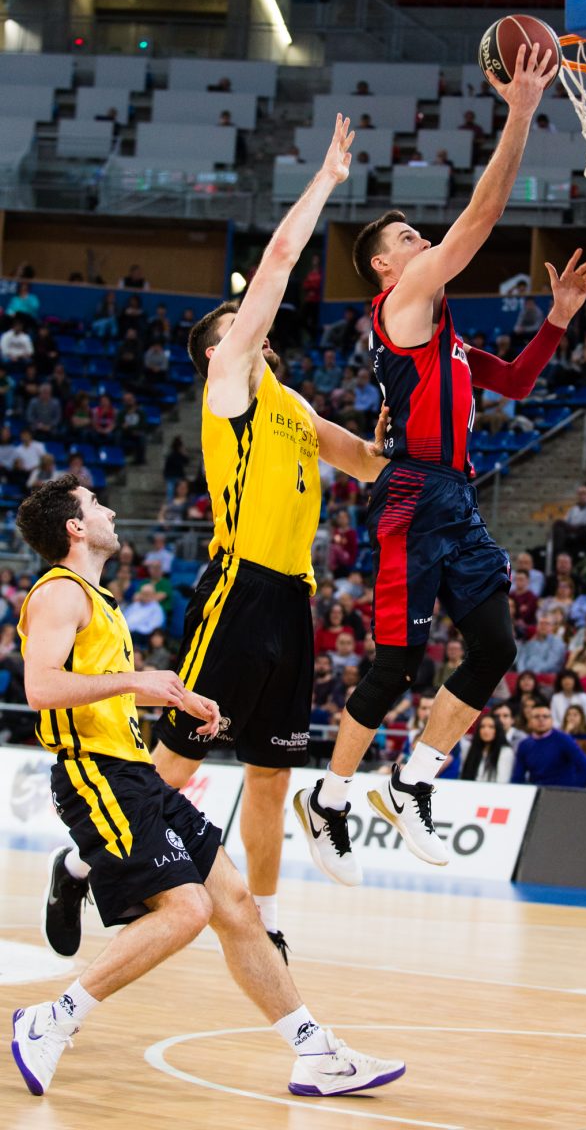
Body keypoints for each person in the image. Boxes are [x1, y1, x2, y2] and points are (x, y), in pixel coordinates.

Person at [40, 118, 388, 964]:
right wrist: (326, 184)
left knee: (271, 774)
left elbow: (370, 464)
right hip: (239, 588)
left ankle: (262, 913)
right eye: (240, 327)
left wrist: (408, 419)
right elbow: (274, 270)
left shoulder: (296, 407)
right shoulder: (227, 388)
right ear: (219, 352)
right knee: (173, 762)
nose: (258, 331)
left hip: (295, 598)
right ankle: (82, 860)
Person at [295, 48, 586, 885]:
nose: (421, 239)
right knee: (396, 664)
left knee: (497, 644)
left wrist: (554, 321)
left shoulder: (447, 338)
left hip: (452, 494)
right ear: (387, 270)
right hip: (410, 493)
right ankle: (328, 797)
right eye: (407, 238)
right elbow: (479, 219)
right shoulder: (401, 303)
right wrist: (520, 113)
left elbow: (515, 381)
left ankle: (413, 780)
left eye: (416, 234)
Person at [12, 477, 405, 1098]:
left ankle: (316, 1054)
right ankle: (49, 1022)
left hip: (134, 772)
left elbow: (107, 691)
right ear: (75, 528)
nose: (110, 509)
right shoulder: (58, 593)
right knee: (188, 909)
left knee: (237, 906)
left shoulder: (98, 599)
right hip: (95, 774)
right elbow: (40, 690)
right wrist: (138, 683)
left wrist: (183, 697)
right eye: (95, 505)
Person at [511, 704, 586, 787]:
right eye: (536, 717)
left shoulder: (564, 740)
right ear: (529, 722)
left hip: (562, 792)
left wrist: (571, 789)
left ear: (552, 720)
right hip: (538, 792)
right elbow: (517, 777)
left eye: (545, 716)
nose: (541, 720)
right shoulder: (524, 745)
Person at [460, 713, 514, 782]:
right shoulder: (470, 749)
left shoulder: (505, 752)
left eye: (491, 727)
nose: (486, 730)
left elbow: (502, 780)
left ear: (498, 730)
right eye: (482, 726)